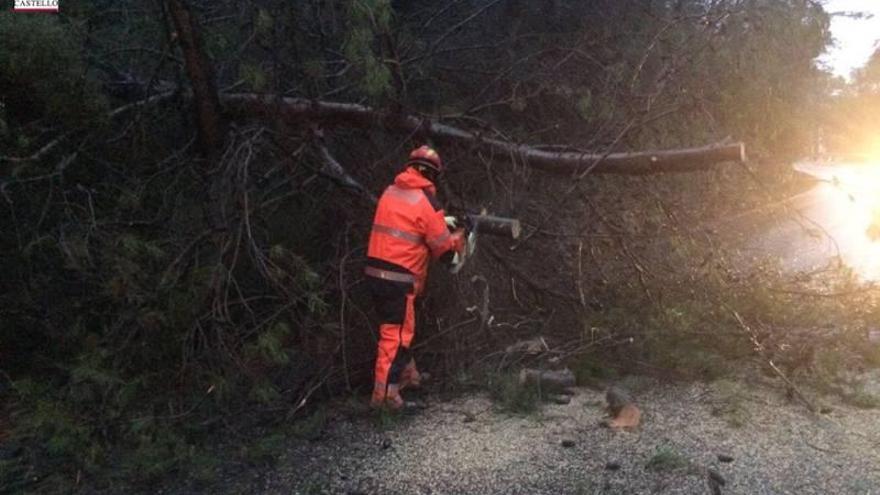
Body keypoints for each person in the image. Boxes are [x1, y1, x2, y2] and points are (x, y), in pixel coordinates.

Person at [365, 145, 465, 410]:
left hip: (377, 272)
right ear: (434, 175)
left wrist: (445, 220)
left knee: (399, 329)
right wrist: (455, 256)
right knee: (396, 336)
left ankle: (407, 376)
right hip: (399, 278)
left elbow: (410, 222)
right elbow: (443, 249)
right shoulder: (427, 202)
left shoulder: (392, 191)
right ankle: (385, 398)